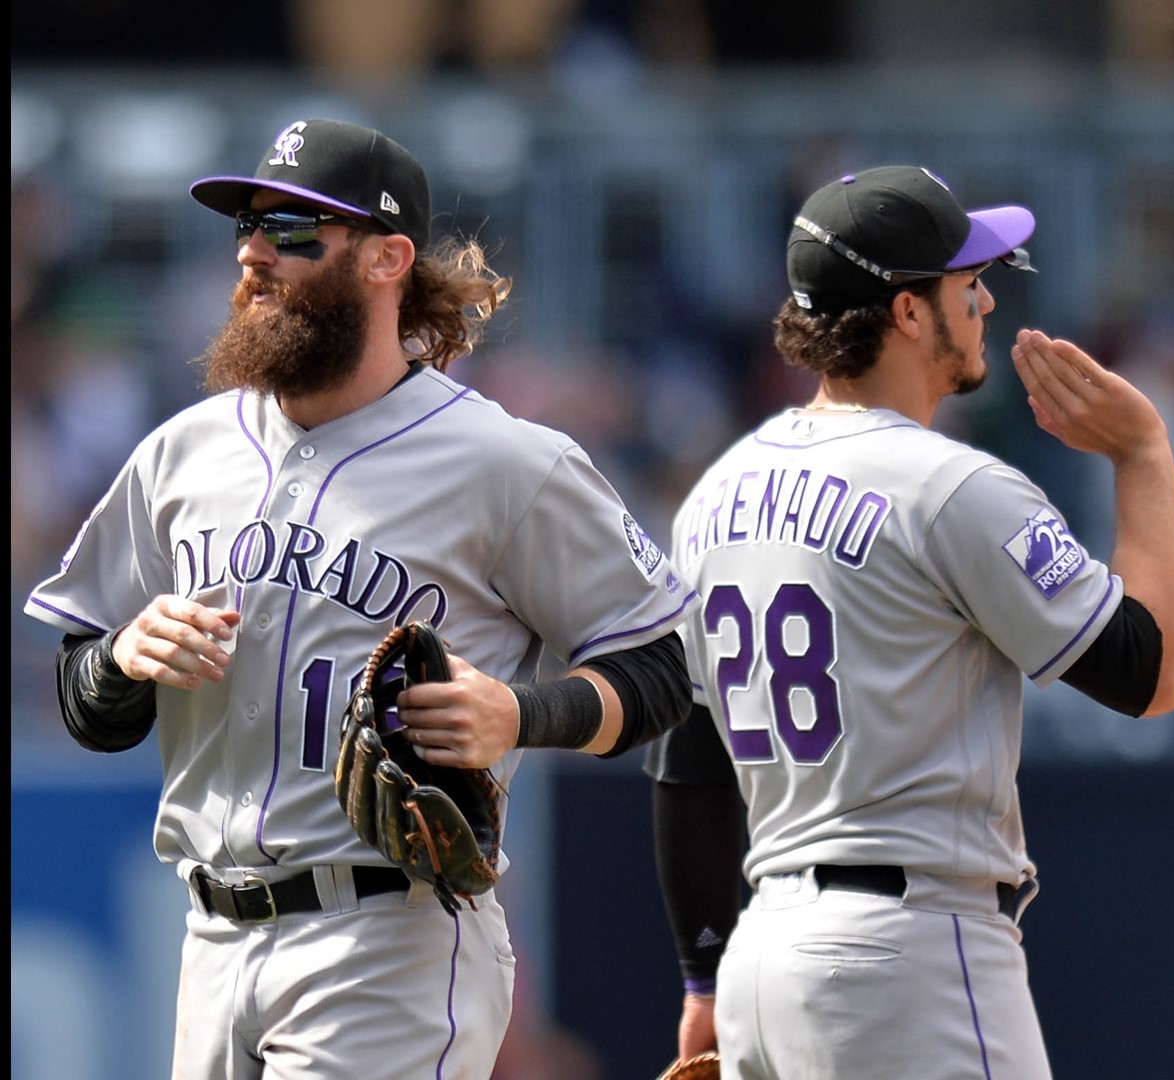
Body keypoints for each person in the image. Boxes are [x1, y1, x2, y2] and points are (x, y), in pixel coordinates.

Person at [23, 118, 697, 1078]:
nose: (255, 252)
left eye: (295, 230)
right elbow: (84, 699)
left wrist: (523, 712)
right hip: (210, 941)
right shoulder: (183, 452)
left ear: (387, 258)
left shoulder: (505, 462)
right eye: (249, 225)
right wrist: (119, 661)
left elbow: (662, 668)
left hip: (387, 937)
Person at [643, 165, 1174, 1078]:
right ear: (905, 313)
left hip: (760, 957)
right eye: (965, 281)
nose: (983, 300)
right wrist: (1141, 455)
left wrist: (704, 980)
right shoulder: (950, 487)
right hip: (906, 956)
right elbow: (1151, 674)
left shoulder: (715, 495)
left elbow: (686, 766)